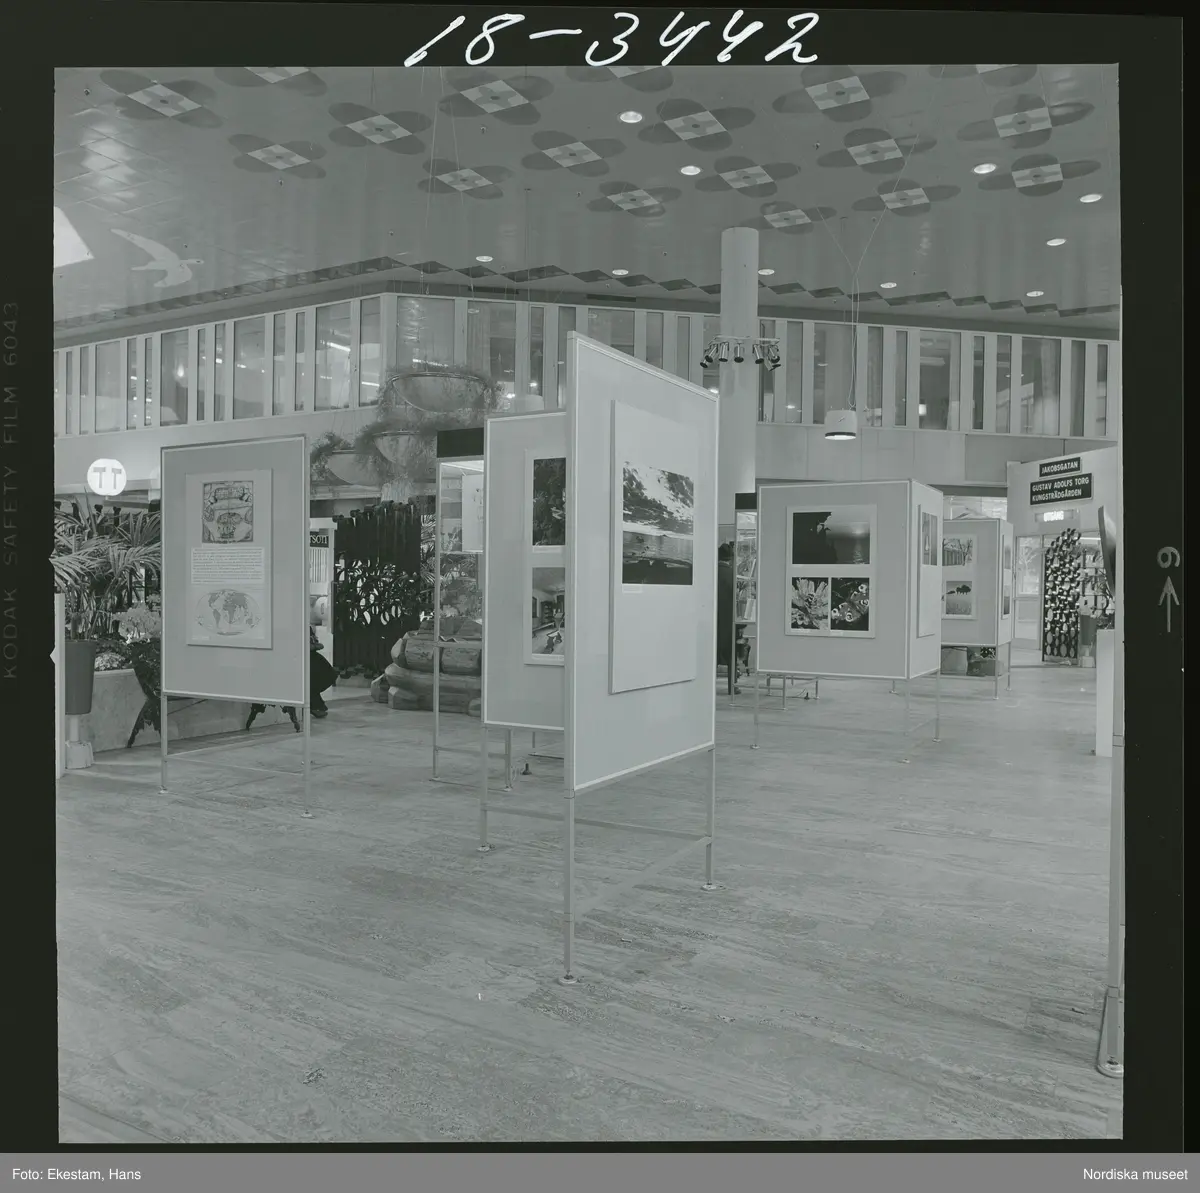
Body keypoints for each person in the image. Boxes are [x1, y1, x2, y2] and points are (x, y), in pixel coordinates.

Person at [716, 541, 738, 689]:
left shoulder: (711, 573)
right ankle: (732, 685)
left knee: (712, 653)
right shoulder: (732, 575)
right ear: (730, 558)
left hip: (713, 619)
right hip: (728, 620)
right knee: (731, 654)